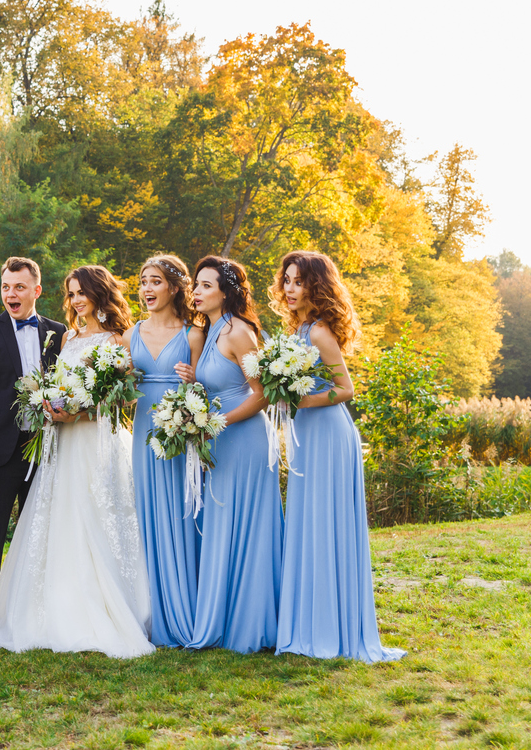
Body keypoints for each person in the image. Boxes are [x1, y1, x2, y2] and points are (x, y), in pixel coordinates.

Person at [0, 265, 155, 658]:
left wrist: (81, 412)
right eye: (72, 293)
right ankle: (54, 608)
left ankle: (110, 607)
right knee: (60, 518)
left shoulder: (119, 340)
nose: (76, 300)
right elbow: (60, 387)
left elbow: (126, 399)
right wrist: (51, 406)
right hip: (61, 442)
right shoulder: (67, 337)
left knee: (98, 517)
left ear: (100, 294)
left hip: (97, 441)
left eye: (82, 292)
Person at [270, 251, 406, 662]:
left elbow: (345, 390)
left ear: (317, 286)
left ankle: (332, 626)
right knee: (308, 521)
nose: (290, 289)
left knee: (324, 521)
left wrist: (298, 399)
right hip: (306, 435)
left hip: (328, 434)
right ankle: (309, 621)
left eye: (298, 282)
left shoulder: (319, 333)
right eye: (287, 281)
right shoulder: (300, 329)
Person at [0, 256, 66, 648]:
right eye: (6, 287)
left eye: (19, 287)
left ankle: (40, 621)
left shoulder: (59, 332)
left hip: (48, 451)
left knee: (43, 537)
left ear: (36, 290)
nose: (11, 294)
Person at [186, 255, 284, 654]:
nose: (196, 291)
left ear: (226, 292)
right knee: (223, 521)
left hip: (243, 438)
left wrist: (216, 421)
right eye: (196, 284)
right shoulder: (209, 331)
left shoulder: (239, 332)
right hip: (219, 437)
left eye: (206, 285)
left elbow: (260, 394)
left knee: (245, 523)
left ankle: (252, 623)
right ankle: (225, 617)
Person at [127, 255, 205, 648]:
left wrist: (195, 380)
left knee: (180, 516)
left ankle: (185, 611)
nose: (146, 289)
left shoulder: (193, 335)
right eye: (143, 282)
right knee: (147, 518)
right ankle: (151, 612)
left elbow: (209, 392)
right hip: (143, 433)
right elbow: (122, 391)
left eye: (155, 281)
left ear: (174, 287)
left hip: (178, 435)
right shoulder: (131, 333)